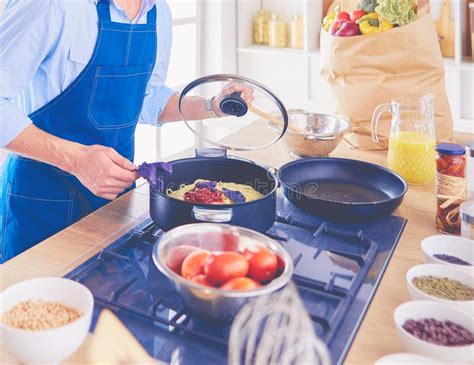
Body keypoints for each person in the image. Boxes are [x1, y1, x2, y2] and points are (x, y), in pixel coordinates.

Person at [0, 0, 253, 263]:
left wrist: (214, 106)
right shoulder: (50, 5)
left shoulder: (157, 12)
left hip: (114, 202)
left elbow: (146, 98)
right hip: (40, 202)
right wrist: (76, 160)